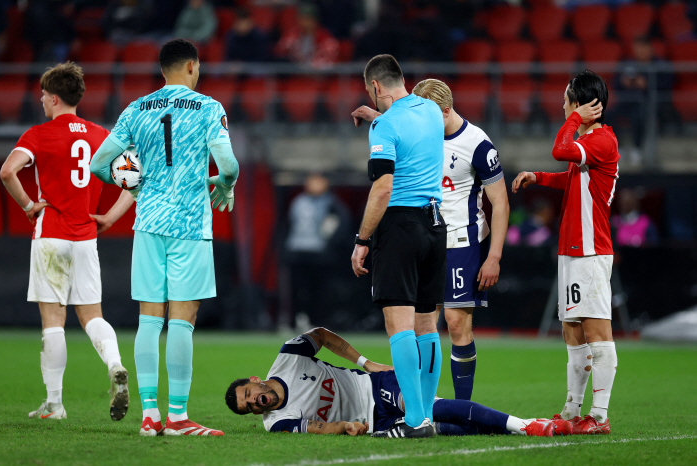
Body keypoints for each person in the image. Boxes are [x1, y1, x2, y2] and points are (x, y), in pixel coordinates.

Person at [89, 39, 240, 437]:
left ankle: (150, 417)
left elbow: (99, 164)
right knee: (183, 321)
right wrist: (226, 184)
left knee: (149, 320)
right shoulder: (209, 107)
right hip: (189, 226)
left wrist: (137, 184)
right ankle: (177, 418)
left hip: (148, 223)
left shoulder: (136, 108)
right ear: (192, 66)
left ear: (162, 70)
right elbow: (228, 164)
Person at [351, 78, 509, 402]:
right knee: (424, 324)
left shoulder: (477, 144)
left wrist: (494, 256)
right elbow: (400, 118)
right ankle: (426, 404)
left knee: (455, 322)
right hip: (429, 237)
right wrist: (375, 115)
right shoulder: (423, 131)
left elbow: (501, 202)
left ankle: (462, 406)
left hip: (464, 241)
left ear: (446, 110)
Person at [0, 62, 133, 421]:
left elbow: (7, 171)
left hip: (51, 234)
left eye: (43, 94)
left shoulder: (39, 134)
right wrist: (110, 216)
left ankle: (55, 405)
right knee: (92, 315)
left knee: (53, 320)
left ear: (54, 97)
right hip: (87, 237)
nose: (41, 100)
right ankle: (116, 364)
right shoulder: (100, 135)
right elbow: (136, 181)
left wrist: (28, 205)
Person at [511, 70, 620, 435]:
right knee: (572, 331)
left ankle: (599, 417)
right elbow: (571, 175)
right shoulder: (590, 144)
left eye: (567, 100)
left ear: (583, 104)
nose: (562, 106)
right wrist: (538, 177)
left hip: (590, 251)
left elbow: (560, 149)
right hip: (572, 250)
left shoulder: (602, 140)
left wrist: (576, 119)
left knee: (597, 331)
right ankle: (573, 410)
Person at [224, 327, 572, 438]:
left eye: (249, 394)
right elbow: (313, 428)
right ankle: (518, 430)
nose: (255, 402)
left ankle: (527, 426)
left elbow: (322, 336)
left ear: (255, 380)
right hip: (374, 424)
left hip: (374, 386)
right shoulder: (277, 423)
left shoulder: (288, 358)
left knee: (428, 408)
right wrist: (344, 425)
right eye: (250, 407)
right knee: (443, 429)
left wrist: (365, 362)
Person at [349, 55, 446, 438]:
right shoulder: (432, 112)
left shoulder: (385, 126)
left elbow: (383, 187)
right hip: (435, 225)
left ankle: (415, 420)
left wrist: (362, 240)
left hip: (400, 226)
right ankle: (426, 413)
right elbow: (408, 124)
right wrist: (378, 116)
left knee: (399, 325)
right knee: (428, 325)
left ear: (374, 86)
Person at [283, 173, 352, 328]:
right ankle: (295, 320)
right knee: (297, 290)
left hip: (320, 254)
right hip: (298, 252)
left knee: (319, 290)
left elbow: (342, 226)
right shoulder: (298, 202)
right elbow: (288, 225)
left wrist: (330, 246)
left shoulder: (332, 203)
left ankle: (317, 321)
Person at [274, 3, 339, 66]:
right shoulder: (293, 34)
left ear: (315, 20)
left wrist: (310, 66)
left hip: (316, 75)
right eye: (302, 19)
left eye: (307, 19)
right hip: (295, 74)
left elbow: (329, 61)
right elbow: (279, 52)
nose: (304, 23)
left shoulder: (325, 37)